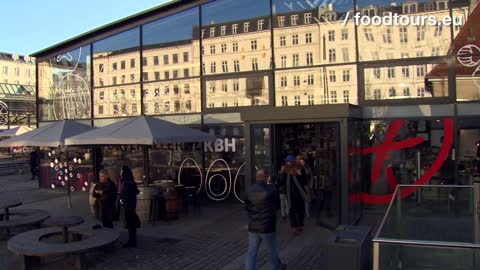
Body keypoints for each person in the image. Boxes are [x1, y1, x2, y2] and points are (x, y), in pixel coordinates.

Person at [245, 169, 286, 270]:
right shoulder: (271, 190)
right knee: (272, 250)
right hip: (267, 226)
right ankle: (278, 267)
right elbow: (277, 206)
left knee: (251, 252)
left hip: (253, 225)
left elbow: (247, 207)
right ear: (266, 177)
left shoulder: (249, 190)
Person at [282, 155, 308, 235]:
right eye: (286, 161)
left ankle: (300, 225)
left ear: (293, 162)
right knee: (291, 210)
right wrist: (281, 173)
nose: (287, 162)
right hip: (290, 194)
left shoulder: (300, 169)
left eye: (288, 161)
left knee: (300, 210)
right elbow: (282, 181)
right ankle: (294, 227)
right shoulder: (286, 170)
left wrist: (299, 174)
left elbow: (305, 181)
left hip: (299, 193)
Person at [119, 165, 140, 248]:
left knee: (130, 224)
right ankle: (132, 240)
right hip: (132, 205)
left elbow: (125, 196)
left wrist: (121, 201)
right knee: (131, 224)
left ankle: (132, 242)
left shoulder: (126, 183)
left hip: (128, 206)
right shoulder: (131, 182)